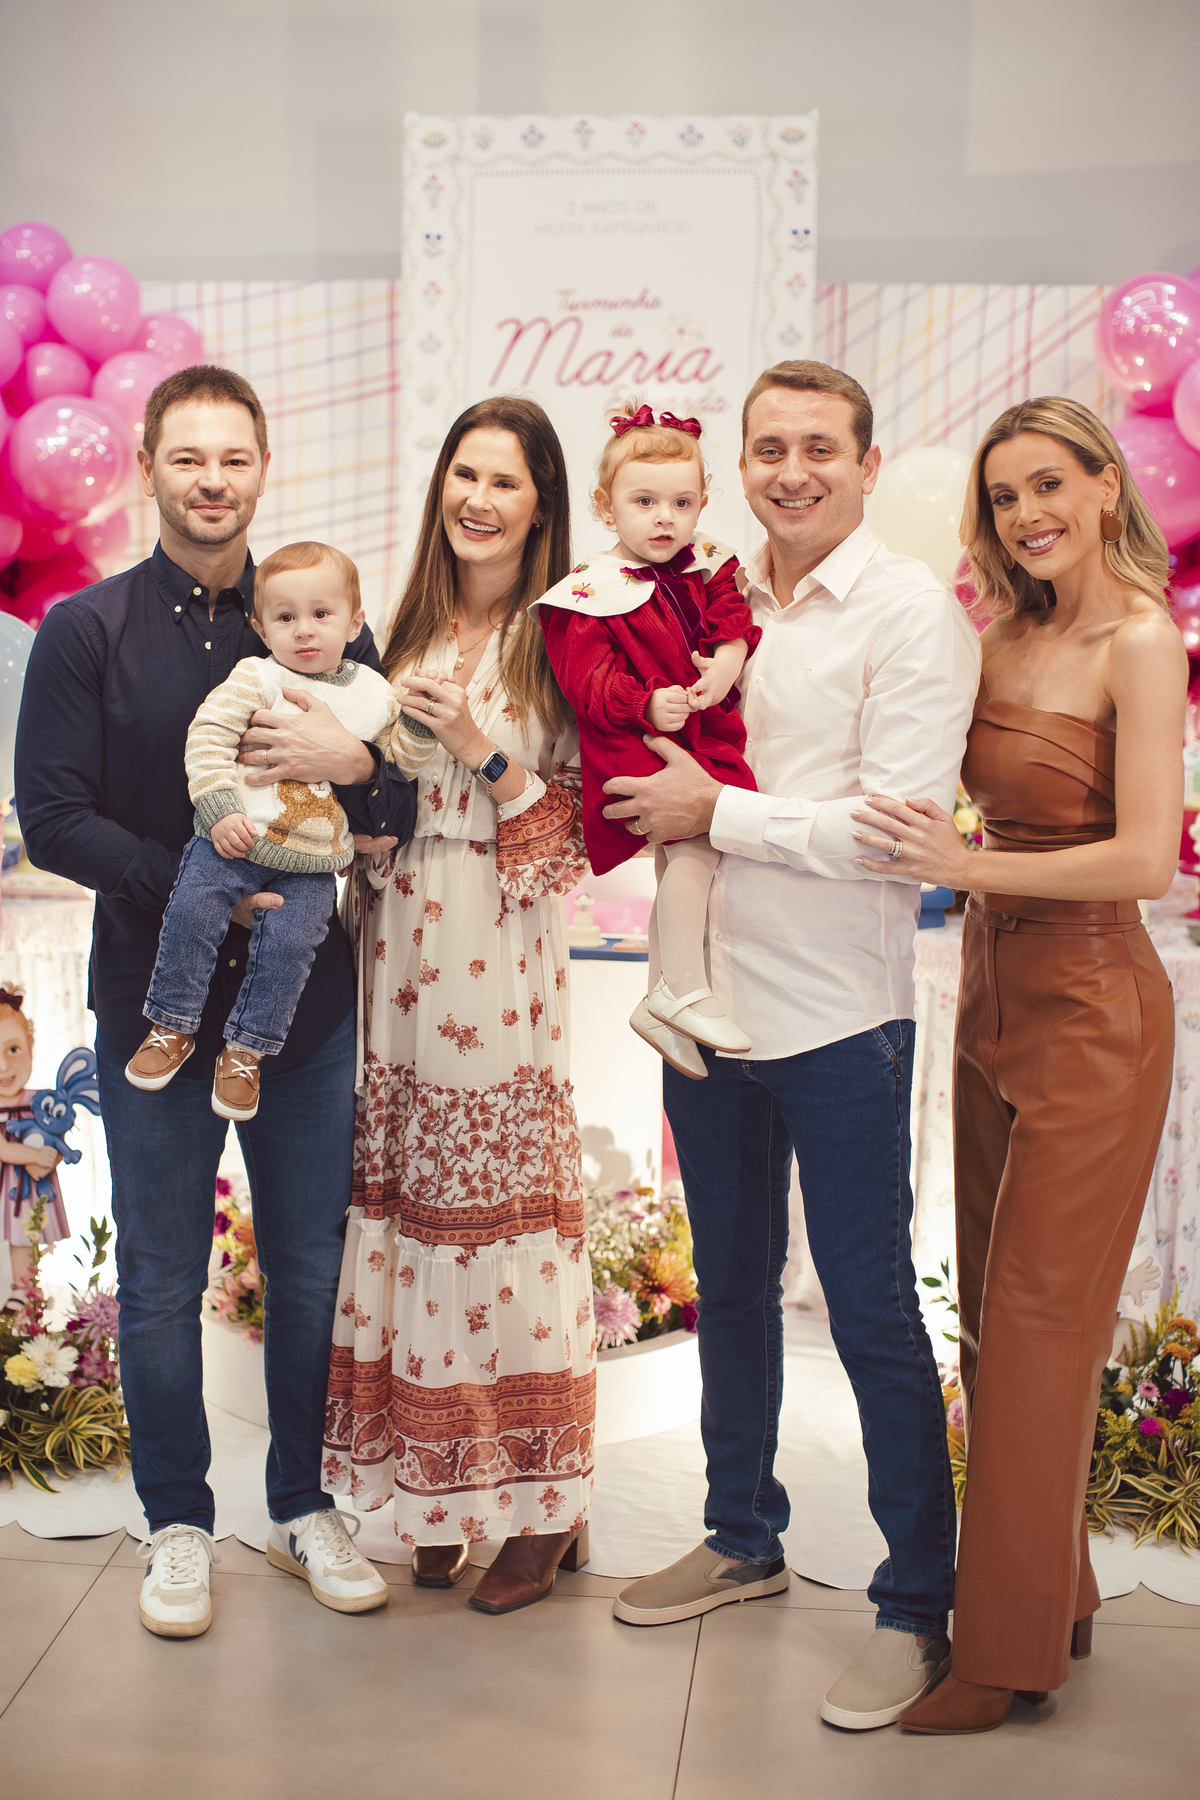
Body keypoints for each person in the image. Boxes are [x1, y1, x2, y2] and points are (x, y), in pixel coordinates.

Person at [601, 361, 981, 1731]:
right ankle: (741, 1534)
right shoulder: (708, 597)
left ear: (868, 466)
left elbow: (898, 830)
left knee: (870, 1305)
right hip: (707, 1008)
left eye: (821, 447)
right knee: (732, 1284)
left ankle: (916, 1602)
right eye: (769, 448)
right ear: (742, 467)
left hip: (839, 1016)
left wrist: (715, 814)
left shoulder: (911, 613)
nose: (792, 470)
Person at [15, 365, 414, 1637]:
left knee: (309, 1267)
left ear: (263, 467)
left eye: (234, 457)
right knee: (158, 1275)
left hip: (307, 1012)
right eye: (187, 457)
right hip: (155, 1001)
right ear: (148, 467)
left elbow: (396, 798)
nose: (211, 480)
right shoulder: (86, 629)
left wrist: (355, 762)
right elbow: (51, 817)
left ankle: (303, 1505)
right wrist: (195, 883)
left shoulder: (315, 617)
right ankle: (178, 1521)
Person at [853, 397, 1183, 1734]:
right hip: (992, 994)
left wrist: (968, 866)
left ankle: (1003, 1656)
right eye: (1004, 496)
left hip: (1096, 1010)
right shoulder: (998, 638)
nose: (1027, 514)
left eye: (1049, 485)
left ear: (1105, 486)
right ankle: (1058, 1595)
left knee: (1045, 1329)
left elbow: (1148, 859)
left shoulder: (1141, 640)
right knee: (990, 1324)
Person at [321, 396, 595, 1615]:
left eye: (505, 481)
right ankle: (437, 1484)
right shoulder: (407, 628)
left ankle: (544, 1505)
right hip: (396, 947)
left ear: (543, 504)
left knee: (498, 1217)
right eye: (464, 475)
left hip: (499, 943)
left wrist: (485, 747)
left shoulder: (567, 637)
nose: (478, 500)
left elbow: (577, 835)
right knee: (409, 1211)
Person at [126, 541, 436, 1122]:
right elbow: (208, 735)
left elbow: (400, 766)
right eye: (285, 617)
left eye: (321, 614)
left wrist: (419, 727)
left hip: (312, 863)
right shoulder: (256, 676)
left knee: (292, 948)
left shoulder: (374, 692)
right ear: (261, 628)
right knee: (191, 911)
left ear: (355, 623)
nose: (304, 630)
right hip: (234, 840)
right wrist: (219, 808)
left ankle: (246, 1051)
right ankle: (171, 1022)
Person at [532, 400, 760, 1075]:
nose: (665, 518)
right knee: (695, 842)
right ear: (606, 508)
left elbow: (732, 617)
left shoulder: (706, 564)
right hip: (639, 742)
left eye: (682, 503)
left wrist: (728, 660)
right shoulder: (587, 592)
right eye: (645, 502)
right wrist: (646, 703)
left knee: (685, 859)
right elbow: (586, 683)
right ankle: (681, 988)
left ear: (702, 504)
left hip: (703, 732)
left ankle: (661, 994)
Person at [0, 991, 66, 1305]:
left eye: (13, 1049)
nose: (3, 1065)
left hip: (32, 1190)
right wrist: (36, 1155)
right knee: (15, 1236)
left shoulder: (42, 1100)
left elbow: (57, 1136)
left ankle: (27, 1294)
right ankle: (20, 1292)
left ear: (30, 1046)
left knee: (28, 1237)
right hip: (7, 1188)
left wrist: (50, 1159)